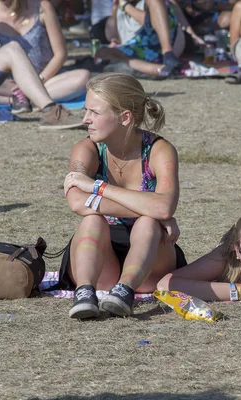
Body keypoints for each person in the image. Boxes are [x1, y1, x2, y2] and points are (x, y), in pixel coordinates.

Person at [60, 73, 186, 320]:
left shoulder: (160, 150)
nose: (85, 119)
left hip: (150, 260)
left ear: (125, 117)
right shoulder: (87, 148)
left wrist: (99, 187)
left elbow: (162, 209)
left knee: (148, 223)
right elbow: (76, 201)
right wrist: (152, 210)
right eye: (86, 111)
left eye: (94, 112)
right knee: (92, 220)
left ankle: (124, 293)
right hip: (98, 256)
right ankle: (85, 293)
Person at [0, 0, 90, 111]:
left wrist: (37, 81)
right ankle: (27, 98)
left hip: (47, 79)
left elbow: (61, 54)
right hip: (13, 85)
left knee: (84, 77)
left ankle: (21, 99)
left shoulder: (42, 7)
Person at [0, 24, 83, 128]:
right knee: (11, 50)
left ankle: (37, 100)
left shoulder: (40, 7)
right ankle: (48, 108)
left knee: (12, 50)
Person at [95, 0, 186, 78]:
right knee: (101, 53)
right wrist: (115, 43)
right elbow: (121, 39)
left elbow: (149, 23)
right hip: (138, 48)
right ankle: (163, 70)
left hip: (159, 46)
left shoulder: (151, 2)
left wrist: (126, 6)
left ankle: (168, 55)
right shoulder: (117, 7)